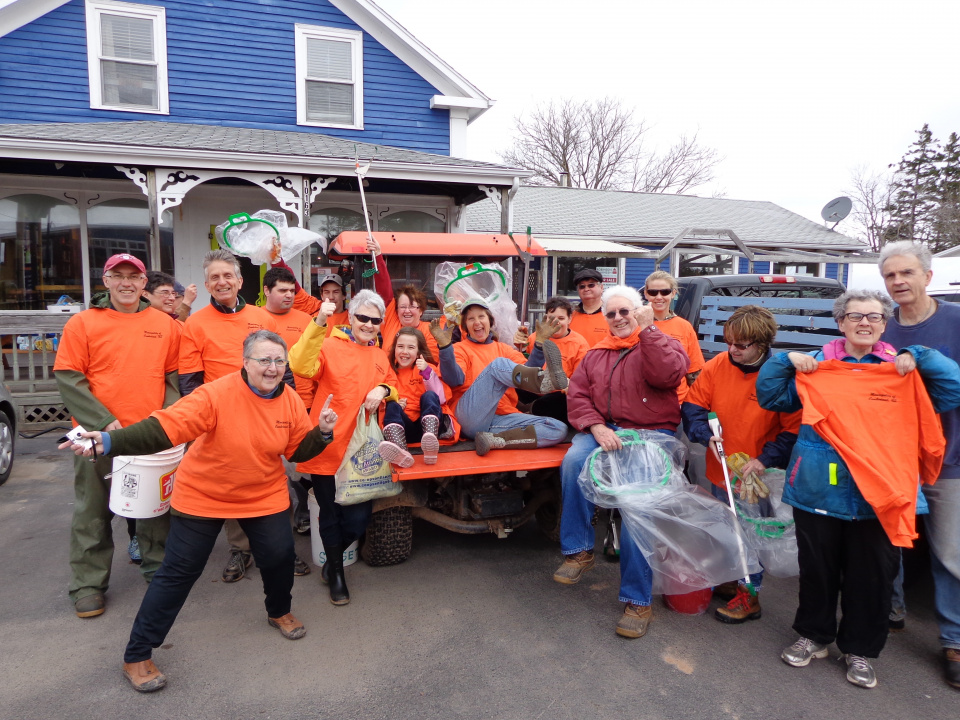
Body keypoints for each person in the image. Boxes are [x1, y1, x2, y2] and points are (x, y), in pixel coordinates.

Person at [61, 330, 337, 693]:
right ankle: (137, 653)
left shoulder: (287, 398)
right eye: (264, 360)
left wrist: (323, 433)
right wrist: (110, 440)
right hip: (204, 494)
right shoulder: (215, 395)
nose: (272, 368)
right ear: (245, 362)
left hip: (262, 493)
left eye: (278, 361)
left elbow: (297, 450)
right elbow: (164, 428)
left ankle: (278, 611)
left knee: (280, 555)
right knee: (178, 572)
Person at [756, 289, 960, 689]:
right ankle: (813, 636)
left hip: (882, 492)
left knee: (873, 577)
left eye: (873, 317)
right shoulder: (818, 367)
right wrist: (785, 361)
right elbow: (772, 396)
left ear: (885, 324)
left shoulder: (902, 371)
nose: (864, 323)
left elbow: (951, 390)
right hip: (819, 489)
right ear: (841, 322)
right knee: (817, 570)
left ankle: (861, 650)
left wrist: (920, 355)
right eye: (855, 316)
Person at [554, 285, 688, 638]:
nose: (617, 319)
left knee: (636, 511)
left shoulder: (660, 341)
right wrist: (595, 426)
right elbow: (579, 395)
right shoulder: (596, 353)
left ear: (638, 311)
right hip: (604, 431)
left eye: (624, 312)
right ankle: (579, 550)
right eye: (611, 314)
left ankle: (637, 599)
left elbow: (669, 375)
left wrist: (649, 331)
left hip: (649, 433)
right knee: (572, 461)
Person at [53, 253, 182, 618]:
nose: (127, 283)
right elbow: (69, 378)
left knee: (155, 510)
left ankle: (157, 570)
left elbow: (171, 379)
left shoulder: (166, 325)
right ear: (106, 281)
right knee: (92, 510)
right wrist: (106, 421)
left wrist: (163, 423)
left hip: (148, 436)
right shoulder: (83, 324)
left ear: (144, 284)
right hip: (95, 436)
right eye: (118, 276)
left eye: (134, 277)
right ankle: (88, 585)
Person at [178, 249, 300, 583]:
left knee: (275, 481)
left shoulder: (264, 318)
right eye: (214, 277)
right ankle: (240, 549)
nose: (222, 282)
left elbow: (283, 370)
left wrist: (293, 409)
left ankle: (279, 551)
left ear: (240, 280)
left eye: (227, 275)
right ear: (206, 284)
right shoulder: (196, 324)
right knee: (231, 485)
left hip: (267, 415)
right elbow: (189, 381)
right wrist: (200, 424)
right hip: (220, 419)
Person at [682, 305, 800, 624]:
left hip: (755, 473)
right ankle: (738, 579)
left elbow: (794, 429)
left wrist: (764, 460)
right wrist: (703, 433)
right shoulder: (720, 364)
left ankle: (750, 596)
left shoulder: (780, 375)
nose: (732, 350)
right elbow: (694, 405)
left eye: (740, 345)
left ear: (761, 344)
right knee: (731, 529)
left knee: (748, 533)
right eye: (728, 342)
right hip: (722, 466)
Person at [879, 241, 960, 689]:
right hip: (894, 461)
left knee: (949, 554)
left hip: (950, 460)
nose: (898, 282)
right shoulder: (882, 330)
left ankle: (954, 640)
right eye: (890, 276)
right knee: (890, 541)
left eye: (906, 273)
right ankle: (891, 610)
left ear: (928, 276)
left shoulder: (955, 321)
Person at [289, 289, 399, 606]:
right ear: (350, 317)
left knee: (357, 517)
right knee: (330, 514)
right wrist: (320, 319)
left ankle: (334, 558)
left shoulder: (379, 355)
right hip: (327, 446)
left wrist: (382, 389)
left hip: (362, 451)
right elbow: (300, 364)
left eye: (374, 320)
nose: (367, 324)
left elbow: (393, 383)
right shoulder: (328, 345)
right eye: (362, 317)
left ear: (380, 324)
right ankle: (336, 572)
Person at [430, 298, 569, 456]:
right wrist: (445, 348)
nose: (477, 322)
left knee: (557, 428)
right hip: (469, 417)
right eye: (471, 318)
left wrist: (539, 344)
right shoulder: (459, 349)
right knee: (498, 365)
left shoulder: (504, 348)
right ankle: (543, 381)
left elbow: (527, 372)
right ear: (465, 326)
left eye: (481, 316)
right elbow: (454, 380)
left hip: (498, 421)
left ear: (489, 320)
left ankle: (495, 440)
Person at [262, 266, 317, 536]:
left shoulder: (306, 319)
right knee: (270, 464)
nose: (289, 296)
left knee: (300, 462)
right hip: (264, 406)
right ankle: (273, 521)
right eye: (282, 290)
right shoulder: (254, 318)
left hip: (304, 403)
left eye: (292, 291)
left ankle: (303, 510)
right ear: (266, 291)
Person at [379, 327, 460, 466]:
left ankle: (430, 444)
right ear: (394, 349)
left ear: (418, 352)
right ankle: (401, 452)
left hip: (430, 426)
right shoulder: (388, 371)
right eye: (400, 347)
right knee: (392, 405)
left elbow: (440, 398)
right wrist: (394, 403)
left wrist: (427, 373)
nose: (404, 352)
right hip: (404, 429)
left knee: (429, 395)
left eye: (411, 347)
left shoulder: (428, 368)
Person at [515, 296, 589, 426]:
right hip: (533, 390)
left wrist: (569, 385)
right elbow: (522, 364)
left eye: (561, 318)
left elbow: (581, 380)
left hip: (558, 395)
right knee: (515, 381)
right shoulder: (534, 338)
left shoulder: (580, 344)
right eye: (551, 318)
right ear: (545, 318)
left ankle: (530, 413)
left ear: (570, 319)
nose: (556, 323)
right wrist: (519, 343)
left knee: (565, 400)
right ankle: (532, 413)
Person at [366, 236, 443, 359]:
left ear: (421, 310)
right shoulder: (392, 320)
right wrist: (377, 256)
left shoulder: (430, 331)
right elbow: (383, 289)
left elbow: (433, 361)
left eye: (412, 306)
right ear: (396, 310)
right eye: (402, 307)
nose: (406, 311)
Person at [645, 270, 705, 402]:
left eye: (665, 292)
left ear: (673, 293)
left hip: (678, 403)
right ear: (646, 294)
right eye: (653, 292)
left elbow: (694, 372)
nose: (659, 297)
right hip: (645, 402)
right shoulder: (637, 324)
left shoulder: (684, 326)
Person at [568, 269, 608, 347]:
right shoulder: (570, 317)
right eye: (582, 286)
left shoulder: (613, 315)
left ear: (601, 287)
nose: (586, 289)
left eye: (591, 285)